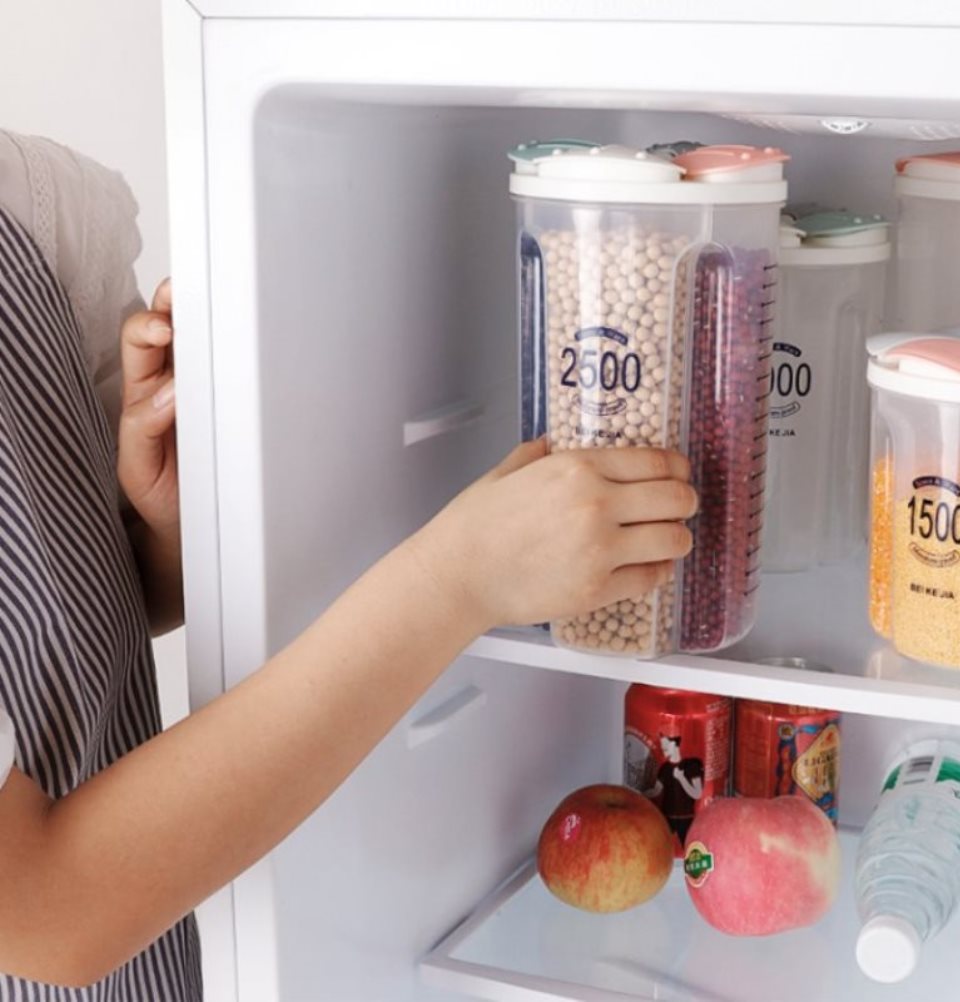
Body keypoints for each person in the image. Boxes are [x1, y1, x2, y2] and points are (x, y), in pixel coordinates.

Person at [0, 130, 698, 999]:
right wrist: (458, 580)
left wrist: (166, 538)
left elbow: (56, 640)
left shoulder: (34, 207)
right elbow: (45, 911)